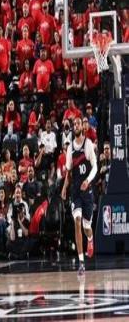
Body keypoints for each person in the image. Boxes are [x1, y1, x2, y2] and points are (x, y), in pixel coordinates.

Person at [61, 117, 97, 276]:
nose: (75, 125)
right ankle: (81, 262)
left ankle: (90, 239)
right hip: (75, 191)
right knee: (77, 221)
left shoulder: (88, 144)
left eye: (77, 123)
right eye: (74, 124)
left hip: (86, 191)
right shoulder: (70, 149)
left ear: (82, 126)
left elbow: (95, 167)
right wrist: (64, 188)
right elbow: (68, 171)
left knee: (86, 227)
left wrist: (88, 181)